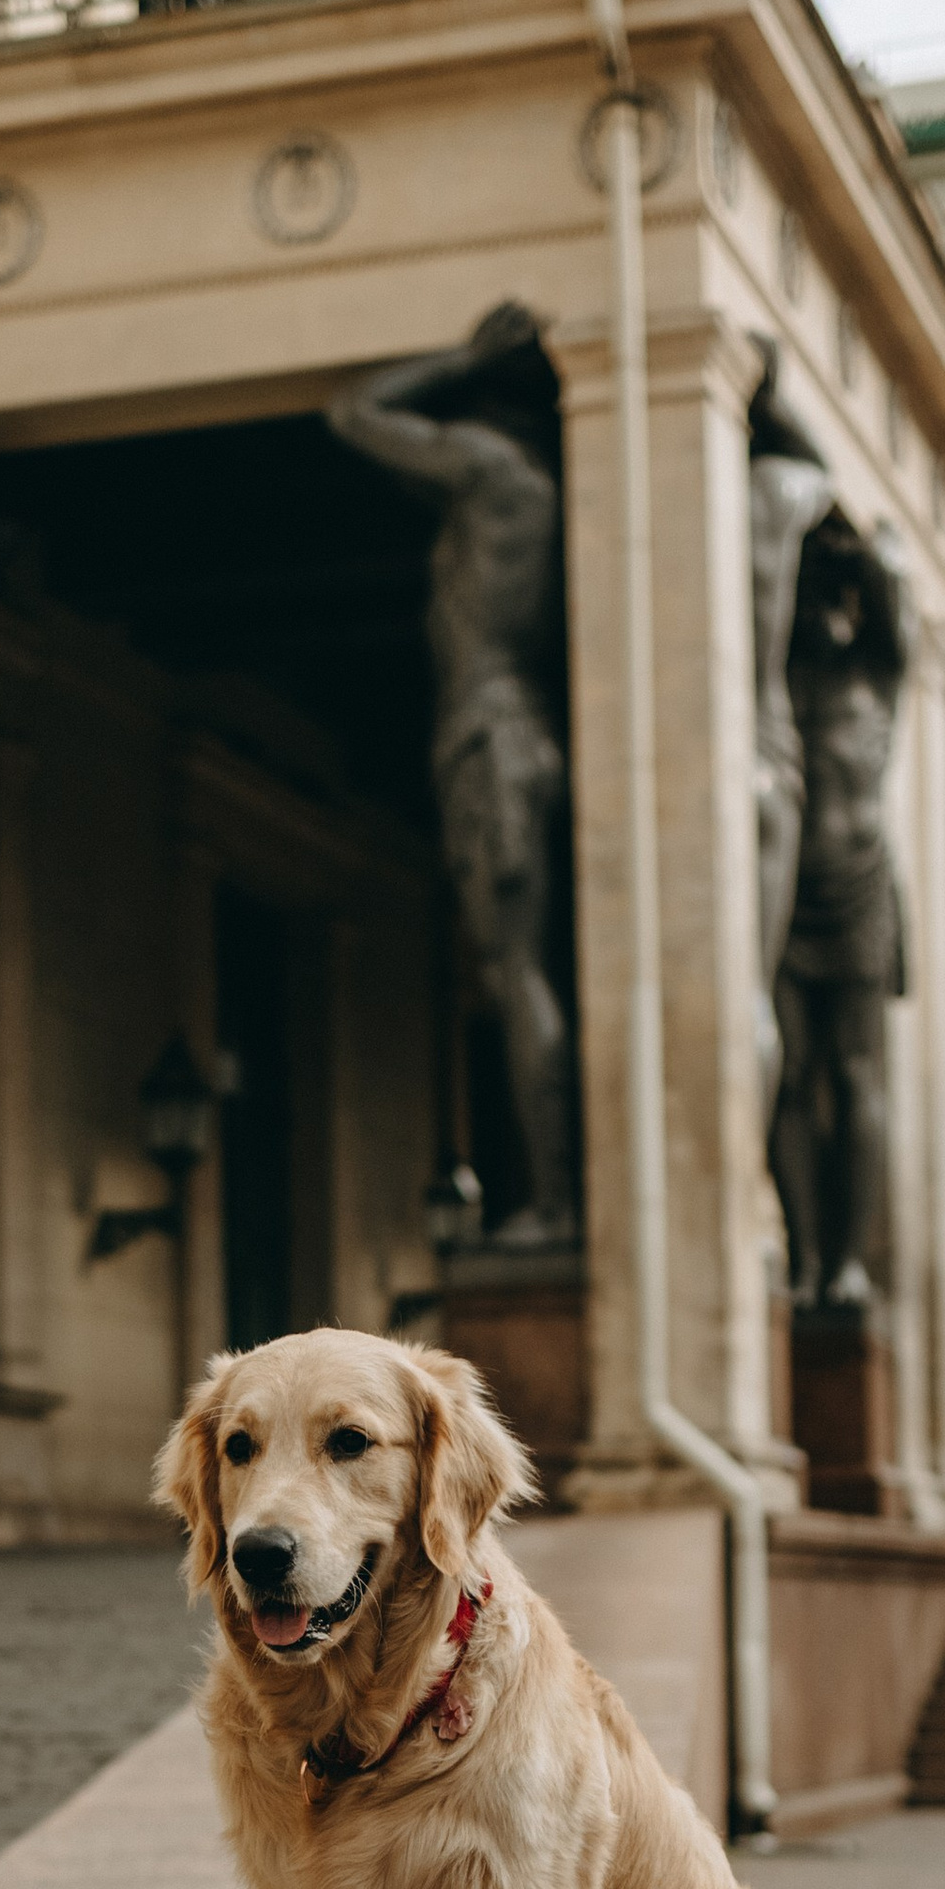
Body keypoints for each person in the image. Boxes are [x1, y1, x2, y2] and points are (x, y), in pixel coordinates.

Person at [328, 306, 575, 1243]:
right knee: (525, 968)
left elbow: (353, 412)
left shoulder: (493, 471)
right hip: (528, 733)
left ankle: (553, 1204)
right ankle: (555, 1196)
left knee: (515, 972)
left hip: (488, 733)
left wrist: (458, 356)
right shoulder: (546, 491)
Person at [772, 516, 913, 1307]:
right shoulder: (786, 674)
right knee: (790, 1077)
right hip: (793, 888)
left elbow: (893, 607)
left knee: (856, 1074)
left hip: (860, 888)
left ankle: (850, 1258)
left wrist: (849, 541)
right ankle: (804, 1253)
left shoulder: (876, 674)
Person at [747, 355, 839, 1160]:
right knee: (751, 986)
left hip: (701, 741)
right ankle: (745, 1194)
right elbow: (825, 473)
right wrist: (773, 393)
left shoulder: (666, 488)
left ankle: (744, 1192)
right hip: (767, 749)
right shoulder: (776, 497)